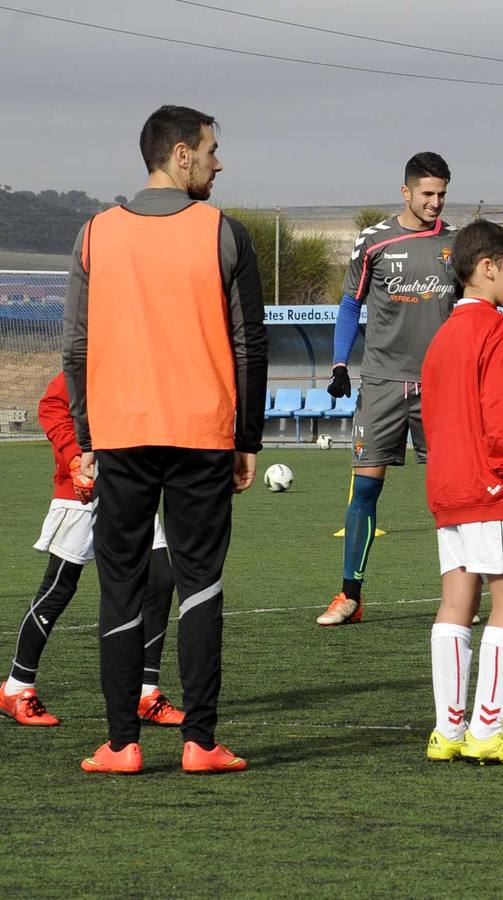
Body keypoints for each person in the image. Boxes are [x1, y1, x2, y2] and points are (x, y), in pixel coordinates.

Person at [62, 104, 267, 774]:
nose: (218, 163)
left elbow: (76, 349)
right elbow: (250, 344)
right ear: (181, 155)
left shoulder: (94, 235)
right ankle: (200, 742)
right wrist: (246, 437)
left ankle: (121, 744)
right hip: (202, 435)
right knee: (200, 583)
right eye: (211, 150)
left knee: (120, 586)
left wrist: (86, 436)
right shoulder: (224, 232)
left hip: (120, 435)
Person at [420, 220, 503, 765]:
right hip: (489, 486)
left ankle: (448, 731)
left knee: (456, 601)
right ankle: (488, 729)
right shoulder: (500, 330)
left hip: (447, 486)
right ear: (487, 268)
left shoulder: (443, 334)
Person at [0, 373, 184, 729]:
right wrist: (74, 458)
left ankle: (145, 692)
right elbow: (52, 406)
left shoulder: (146, 359)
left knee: (160, 579)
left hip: (134, 487)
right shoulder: (90, 356)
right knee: (59, 586)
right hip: (83, 489)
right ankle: (16, 687)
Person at [318, 152, 455, 627]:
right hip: (381, 382)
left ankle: (458, 599)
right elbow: (349, 305)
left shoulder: (458, 245)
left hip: (441, 386)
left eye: (441, 194)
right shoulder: (373, 241)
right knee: (365, 488)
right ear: (406, 192)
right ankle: (349, 596)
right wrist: (340, 363)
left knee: (449, 494)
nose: (435, 202)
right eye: (427, 194)